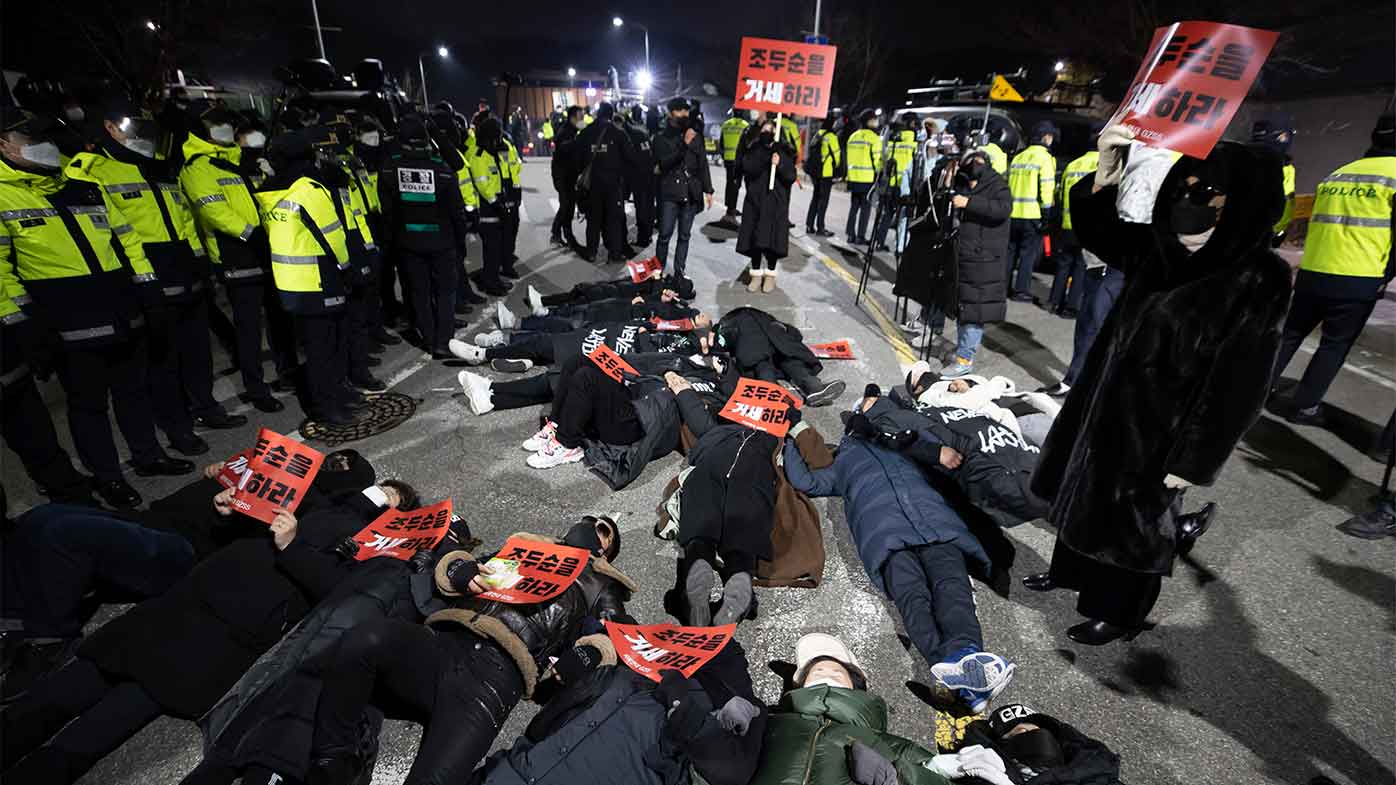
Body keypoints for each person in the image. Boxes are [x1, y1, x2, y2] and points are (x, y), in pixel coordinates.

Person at [1027, 130, 1293, 645]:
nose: (1188, 199)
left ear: (1238, 206)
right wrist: (1106, 171)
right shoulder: (1161, 247)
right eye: (1185, 185)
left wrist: (1192, 460)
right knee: (1084, 489)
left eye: (1206, 192)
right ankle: (1071, 573)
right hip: (1106, 401)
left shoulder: (1257, 277)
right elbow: (1101, 231)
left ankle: (1121, 611)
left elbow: (1241, 384)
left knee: (1137, 520)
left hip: (1164, 424)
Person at [1, 462, 407, 784]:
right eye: (383, 487)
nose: (378, 497)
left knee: (101, 725)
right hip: (182, 603)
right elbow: (233, 533)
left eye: (390, 499)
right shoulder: (311, 500)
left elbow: (341, 595)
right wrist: (228, 509)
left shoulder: (373, 553)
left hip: (222, 637)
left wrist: (293, 547)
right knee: (75, 682)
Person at [303, 517, 635, 784]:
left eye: (605, 532)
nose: (594, 527)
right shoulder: (528, 547)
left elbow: (621, 638)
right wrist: (461, 572)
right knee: (366, 638)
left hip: (494, 681)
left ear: (607, 553)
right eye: (591, 520)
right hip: (446, 641)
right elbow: (457, 565)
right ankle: (336, 760)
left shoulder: (600, 585)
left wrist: (588, 654)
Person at [0, 109, 192, 509]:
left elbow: (127, 238)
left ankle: (149, 455)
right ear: (3, 145)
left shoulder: (83, 182)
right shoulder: (4, 195)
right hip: (67, 323)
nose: (46, 146)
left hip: (122, 308)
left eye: (47, 137)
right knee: (89, 405)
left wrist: (149, 289)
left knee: (133, 392)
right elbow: (2, 272)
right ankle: (108, 477)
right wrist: (24, 326)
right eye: (31, 139)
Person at [783, 392, 1015, 713]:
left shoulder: (904, 445)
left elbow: (935, 446)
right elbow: (805, 481)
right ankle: (963, 673)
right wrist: (790, 434)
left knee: (952, 592)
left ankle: (964, 661)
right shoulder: (841, 462)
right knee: (915, 599)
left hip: (931, 526)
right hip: (890, 538)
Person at [79, 97, 247, 453]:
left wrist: (200, 261)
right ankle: (177, 427)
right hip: (147, 278)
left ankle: (206, 406)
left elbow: (184, 217)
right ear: (109, 128)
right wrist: (141, 282)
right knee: (163, 362)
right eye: (130, 127)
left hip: (185, 269)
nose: (141, 135)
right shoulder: (96, 171)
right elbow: (112, 233)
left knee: (198, 350)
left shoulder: (159, 166)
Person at [473, 635, 764, 785]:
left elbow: (733, 771)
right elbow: (543, 723)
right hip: (508, 775)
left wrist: (682, 704)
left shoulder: (726, 709)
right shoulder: (623, 673)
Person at [1269, 113, 1394, 428]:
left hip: (1314, 270)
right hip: (1359, 276)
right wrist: (1384, 277)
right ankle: (1305, 407)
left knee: (1289, 335)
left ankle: (1256, 391)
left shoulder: (1340, 173)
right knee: (1334, 345)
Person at [180, 104, 286, 413]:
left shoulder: (240, 160)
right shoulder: (198, 167)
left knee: (278, 316)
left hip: (264, 247)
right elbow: (212, 210)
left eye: (230, 124)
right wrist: (251, 232)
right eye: (220, 124)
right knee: (249, 327)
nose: (227, 128)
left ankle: (285, 371)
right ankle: (256, 388)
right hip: (235, 254)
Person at [747, 633, 956, 785]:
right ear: (801, 686)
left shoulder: (882, 740)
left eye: (837, 672)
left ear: (855, 688)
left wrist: (900, 779)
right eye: (817, 670)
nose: (827, 673)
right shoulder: (771, 720)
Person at [255, 131, 357, 425]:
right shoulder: (308, 188)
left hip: (289, 281)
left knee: (315, 346)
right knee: (327, 346)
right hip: (319, 276)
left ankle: (333, 397)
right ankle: (329, 406)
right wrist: (347, 267)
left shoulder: (269, 191)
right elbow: (333, 234)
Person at [378, 114, 471, 360]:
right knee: (445, 292)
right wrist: (460, 239)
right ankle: (444, 341)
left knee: (419, 292)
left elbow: (387, 211)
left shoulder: (390, 167)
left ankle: (430, 340)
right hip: (442, 241)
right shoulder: (440, 168)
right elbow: (456, 210)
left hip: (407, 242)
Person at [942, 149, 1011, 380]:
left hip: (984, 263)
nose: (974, 166)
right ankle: (962, 351)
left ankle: (964, 360)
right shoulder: (964, 182)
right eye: (970, 162)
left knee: (974, 314)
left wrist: (969, 202)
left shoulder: (997, 185)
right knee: (964, 310)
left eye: (978, 162)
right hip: (964, 259)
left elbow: (1002, 210)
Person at [714, 307, 846, 405]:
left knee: (768, 362)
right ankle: (812, 387)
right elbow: (795, 335)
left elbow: (721, 345)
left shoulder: (727, 324)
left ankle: (782, 395)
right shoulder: (739, 321)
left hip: (760, 346)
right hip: (769, 343)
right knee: (785, 358)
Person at [653, 98, 714, 282]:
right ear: (671, 113)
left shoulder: (695, 136)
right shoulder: (661, 137)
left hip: (690, 193)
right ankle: (659, 269)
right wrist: (683, 146)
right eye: (680, 111)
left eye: (686, 111)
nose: (685, 115)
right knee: (664, 235)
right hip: (670, 193)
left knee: (684, 236)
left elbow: (702, 164)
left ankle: (679, 271)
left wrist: (708, 190)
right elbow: (662, 164)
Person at [737, 118, 797, 293]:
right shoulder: (754, 149)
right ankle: (755, 275)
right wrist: (766, 158)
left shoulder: (784, 151)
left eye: (771, 129)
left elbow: (791, 176)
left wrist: (780, 164)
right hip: (755, 202)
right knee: (755, 240)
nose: (767, 132)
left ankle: (770, 275)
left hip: (776, 203)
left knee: (773, 241)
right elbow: (748, 167)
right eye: (765, 128)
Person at [577, 102, 638, 263]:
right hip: (613, 184)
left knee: (593, 219)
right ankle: (615, 253)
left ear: (598, 114)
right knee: (614, 220)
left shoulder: (586, 132)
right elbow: (631, 157)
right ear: (611, 115)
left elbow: (577, 157)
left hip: (592, 185)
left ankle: (591, 252)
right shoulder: (618, 133)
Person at [1005, 121, 1057, 302]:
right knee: (1028, 255)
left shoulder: (1019, 157)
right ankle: (1020, 291)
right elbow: (1047, 189)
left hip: (1012, 214)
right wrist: (1047, 215)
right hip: (1032, 214)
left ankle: (1003, 288)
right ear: (1046, 137)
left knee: (1010, 253)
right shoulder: (1045, 158)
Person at [1045, 144, 1099, 318]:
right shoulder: (1102, 165)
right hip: (1087, 226)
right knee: (1080, 267)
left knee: (1063, 264)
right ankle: (1071, 307)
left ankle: (1054, 302)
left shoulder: (1073, 165)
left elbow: (1060, 194)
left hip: (1068, 223)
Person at [467, 116, 519, 295]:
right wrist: (496, 203)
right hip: (486, 209)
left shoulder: (492, 153)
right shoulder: (479, 156)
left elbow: (504, 176)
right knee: (491, 248)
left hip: (495, 206)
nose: (499, 141)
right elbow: (482, 185)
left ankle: (494, 278)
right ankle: (490, 283)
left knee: (496, 247)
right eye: (496, 137)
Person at [550, 106, 586, 248]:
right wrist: (578, 141)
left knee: (568, 205)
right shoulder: (565, 132)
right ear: (572, 118)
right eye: (580, 117)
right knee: (566, 205)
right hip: (562, 175)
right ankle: (561, 234)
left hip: (570, 174)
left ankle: (561, 233)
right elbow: (563, 149)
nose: (582, 120)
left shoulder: (574, 131)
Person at [845, 109, 882, 245]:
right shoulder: (874, 138)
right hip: (867, 179)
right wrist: (881, 173)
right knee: (865, 209)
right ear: (869, 121)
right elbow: (877, 160)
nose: (877, 122)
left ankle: (850, 235)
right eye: (875, 119)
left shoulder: (853, 136)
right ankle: (860, 236)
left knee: (854, 207)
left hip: (853, 178)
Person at [623, 104, 657, 249]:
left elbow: (634, 159)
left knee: (643, 209)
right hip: (648, 176)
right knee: (647, 207)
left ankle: (643, 238)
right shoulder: (641, 133)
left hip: (639, 178)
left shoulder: (628, 136)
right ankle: (646, 235)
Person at [804, 115, 841, 237]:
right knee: (823, 201)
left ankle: (809, 225)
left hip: (815, 173)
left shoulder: (818, 134)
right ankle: (820, 228)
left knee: (815, 199)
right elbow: (837, 157)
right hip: (825, 173)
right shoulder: (831, 137)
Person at [718, 108, 750, 225]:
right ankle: (730, 211)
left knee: (730, 184)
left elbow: (720, 143)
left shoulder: (726, 125)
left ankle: (730, 207)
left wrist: (724, 155)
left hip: (728, 159)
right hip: (739, 161)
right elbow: (748, 144)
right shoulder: (745, 125)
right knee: (735, 185)